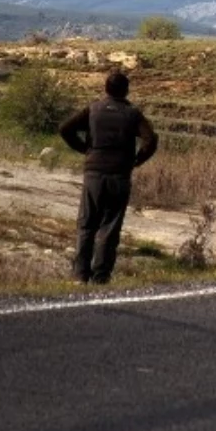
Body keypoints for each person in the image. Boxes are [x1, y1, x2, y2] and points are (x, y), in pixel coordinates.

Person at [59, 71, 159, 285]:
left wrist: (86, 150)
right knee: (110, 226)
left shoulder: (94, 109)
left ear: (105, 88)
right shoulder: (132, 114)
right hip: (119, 175)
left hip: (94, 174)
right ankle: (101, 276)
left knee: (86, 224)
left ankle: (79, 275)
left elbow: (65, 128)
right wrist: (136, 160)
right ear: (126, 90)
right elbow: (150, 139)